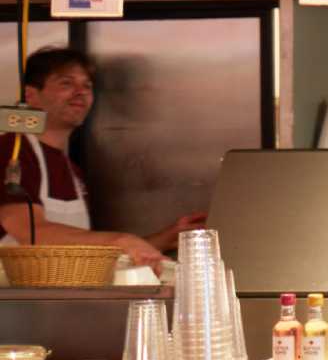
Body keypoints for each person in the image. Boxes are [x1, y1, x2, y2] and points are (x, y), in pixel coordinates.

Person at [0, 47, 204, 268]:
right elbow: (29, 232)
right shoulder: (12, 150)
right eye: (66, 83)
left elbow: (89, 252)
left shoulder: (72, 170)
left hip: (60, 289)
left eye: (87, 86)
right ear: (31, 95)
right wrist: (121, 240)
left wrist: (164, 239)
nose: (80, 92)